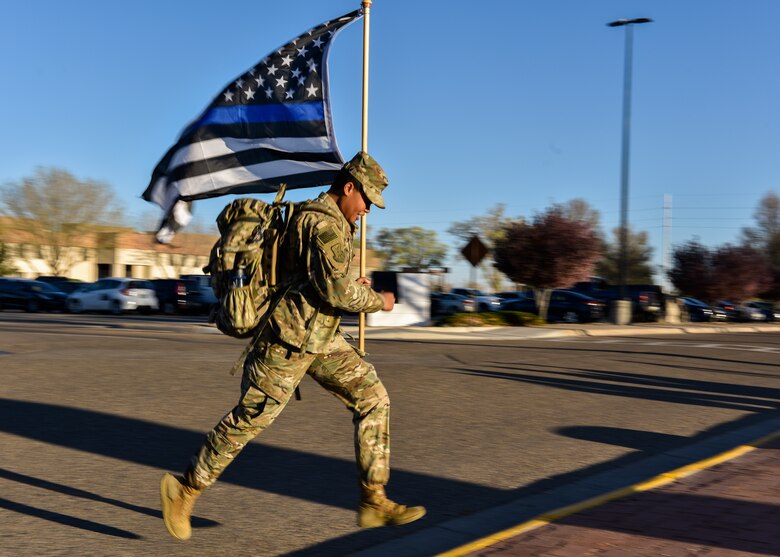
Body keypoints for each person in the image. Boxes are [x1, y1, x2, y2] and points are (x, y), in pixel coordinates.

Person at [160, 151, 426, 541]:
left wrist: (354, 286)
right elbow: (334, 290)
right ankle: (184, 490)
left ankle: (373, 498)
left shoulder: (324, 219)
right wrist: (378, 302)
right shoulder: (322, 225)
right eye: (366, 199)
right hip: (286, 343)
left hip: (320, 339)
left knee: (373, 397)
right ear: (348, 187)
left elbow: (318, 280)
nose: (368, 208)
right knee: (247, 422)